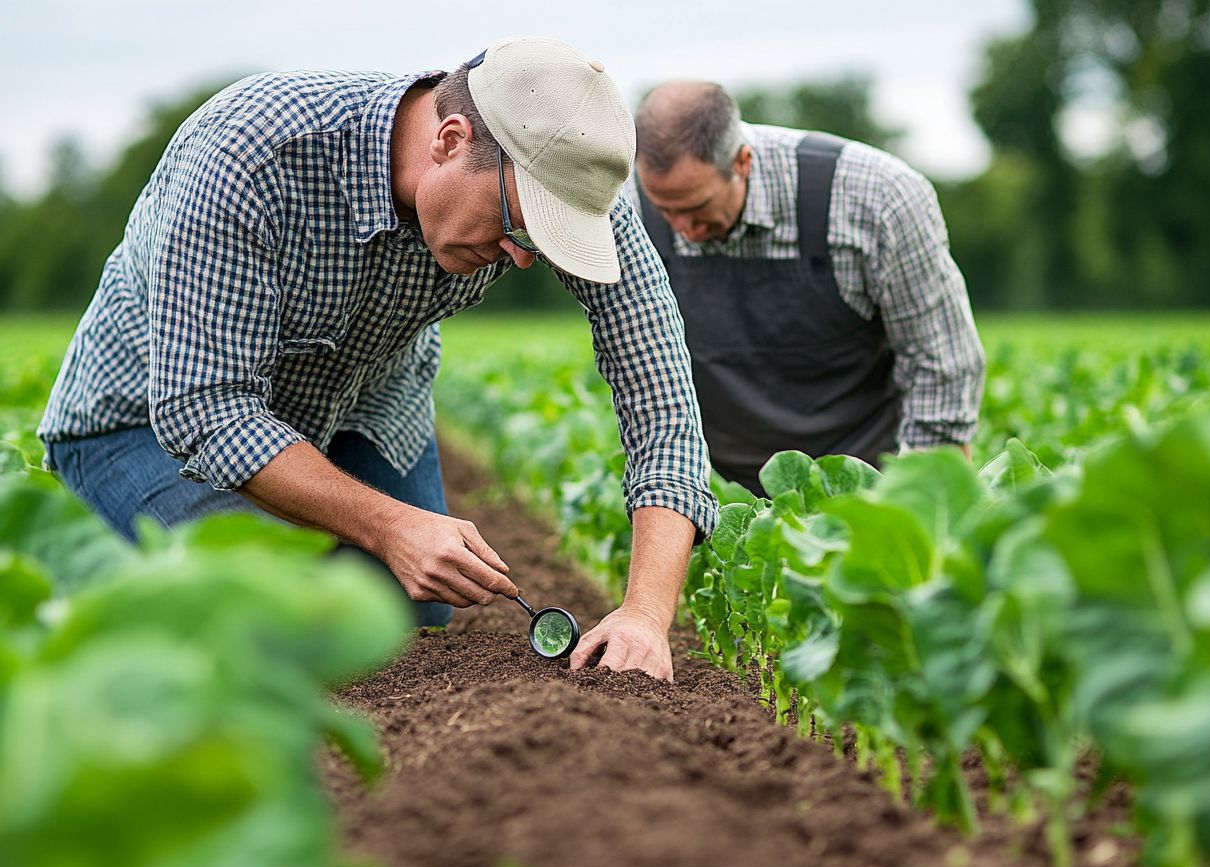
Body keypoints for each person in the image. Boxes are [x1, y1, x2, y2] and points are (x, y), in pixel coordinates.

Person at [38, 38, 717, 681]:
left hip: (365, 404)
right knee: (278, 629)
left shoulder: (566, 189)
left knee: (407, 624)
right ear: (451, 142)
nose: (521, 257)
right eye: (516, 228)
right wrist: (391, 526)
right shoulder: (249, 152)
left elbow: (661, 396)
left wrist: (646, 615)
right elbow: (206, 409)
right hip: (143, 425)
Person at [632, 81, 985, 495]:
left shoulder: (878, 198)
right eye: (665, 210)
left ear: (743, 163)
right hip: (720, 492)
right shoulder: (628, 202)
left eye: (696, 209)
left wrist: (910, 505)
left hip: (865, 484)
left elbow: (939, 365)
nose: (683, 231)